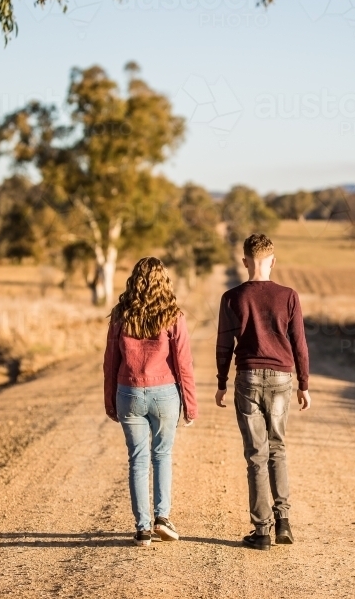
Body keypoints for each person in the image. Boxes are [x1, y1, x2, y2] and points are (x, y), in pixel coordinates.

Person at [215, 233, 311, 551]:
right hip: (283, 379)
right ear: (272, 260)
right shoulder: (288, 296)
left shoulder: (232, 298)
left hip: (247, 378)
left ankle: (262, 532)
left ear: (244, 262)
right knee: (278, 450)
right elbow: (299, 343)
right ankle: (284, 520)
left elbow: (224, 345)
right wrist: (304, 384)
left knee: (256, 456)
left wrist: (220, 382)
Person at [104, 256, 197, 547]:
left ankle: (142, 529)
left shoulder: (121, 314)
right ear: (163, 280)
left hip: (128, 393)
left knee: (137, 460)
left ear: (134, 280)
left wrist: (110, 401)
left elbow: (111, 362)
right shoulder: (173, 315)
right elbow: (184, 364)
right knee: (162, 455)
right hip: (165, 394)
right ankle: (162, 518)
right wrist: (190, 405)